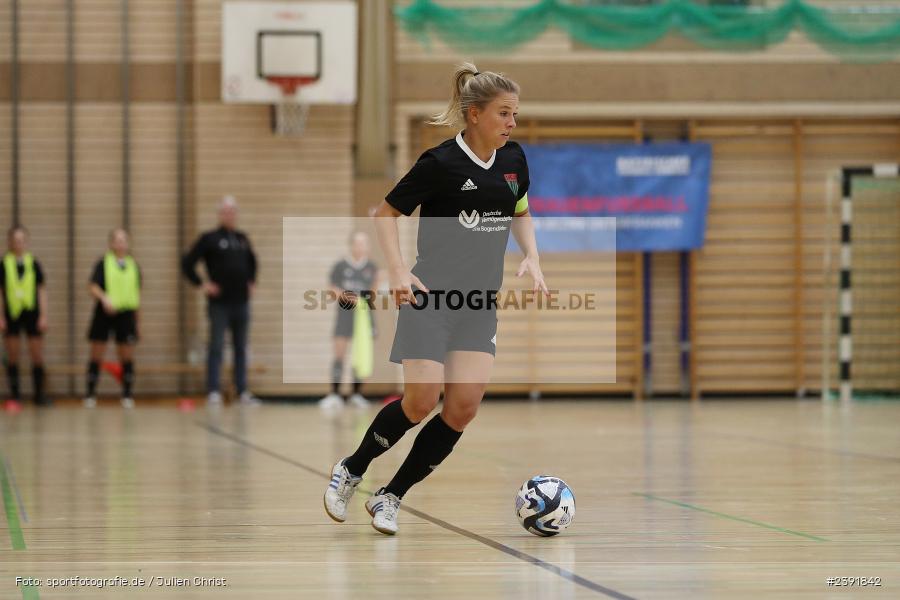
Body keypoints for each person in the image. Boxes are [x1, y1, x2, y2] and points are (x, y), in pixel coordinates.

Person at [324, 63, 548, 535]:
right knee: (421, 400)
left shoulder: (514, 160)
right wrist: (401, 271)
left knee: (463, 406)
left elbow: (521, 210)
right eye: (504, 113)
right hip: (431, 298)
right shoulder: (440, 162)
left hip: (478, 305)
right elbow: (385, 214)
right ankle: (352, 468)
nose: (512, 123)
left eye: (515, 114)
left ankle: (391, 496)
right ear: (474, 114)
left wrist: (532, 255)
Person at [182, 195, 260, 406]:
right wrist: (202, 285)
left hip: (241, 302)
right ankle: (214, 390)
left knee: (241, 347)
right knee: (216, 346)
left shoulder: (242, 239)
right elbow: (187, 263)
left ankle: (242, 390)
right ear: (220, 214)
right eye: (226, 211)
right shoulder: (209, 238)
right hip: (219, 304)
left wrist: (252, 281)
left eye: (233, 211)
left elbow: (253, 263)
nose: (230, 215)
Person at [319, 231, 379, 411]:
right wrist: (346, 296)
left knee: (361, 354)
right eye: (358, 243)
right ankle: (335, 394)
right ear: (351, 245)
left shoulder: (372, 267)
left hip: (363, 316)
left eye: (364, 243)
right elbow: (331, 289)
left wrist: (365, 299)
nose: (361, 247)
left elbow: (373, 292)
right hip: (344, 314)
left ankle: (356, 394)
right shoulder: (340, 266)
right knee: (339, 353)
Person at [84, 229, 141, 408]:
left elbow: (137, 295)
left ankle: (127, 394)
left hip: (126, 314)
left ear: (128, 243)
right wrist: (104, 298)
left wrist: (138, 323)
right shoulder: (103, 263)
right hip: (104, 313)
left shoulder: (134, 266)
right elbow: (92, 286)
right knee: (97, 352)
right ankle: (90, 394)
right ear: (111, 243)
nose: (120, 243)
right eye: (117, 240)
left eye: (123, 240)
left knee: (126, 354)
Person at [0, 226, 49, 407]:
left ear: (26, 242)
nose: (19, 243)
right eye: (15, 240)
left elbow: (41, 290)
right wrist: (1, 317)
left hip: (31, 313)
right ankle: (15, 396)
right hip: (11, 313)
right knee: (12, 355)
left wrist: (43, 315)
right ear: (10, 242)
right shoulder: (4, 263)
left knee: (36, 354)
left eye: (22, 240)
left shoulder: (33, 263)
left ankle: (39, 395)